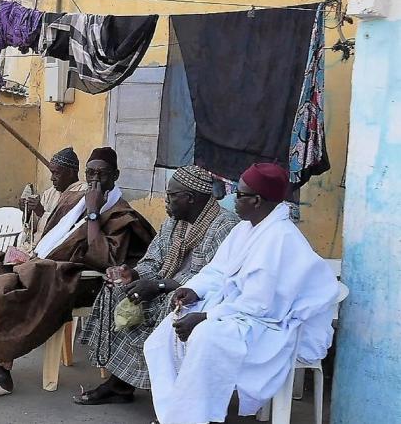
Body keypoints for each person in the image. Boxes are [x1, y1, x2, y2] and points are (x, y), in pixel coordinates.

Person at [0, 147, 156, 401]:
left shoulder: (123, 216)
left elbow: (103, 259)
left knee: (2, 289)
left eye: (102, 174)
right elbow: (49, 237)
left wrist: (94, 213)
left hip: (76, 279)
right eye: (90, 173)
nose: (95, 181)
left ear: (115, 175)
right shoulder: (74, 201)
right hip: (42, 264)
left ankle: (2, 374)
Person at [143, 163, 339, 424]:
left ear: (257, 200)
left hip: (274, 325)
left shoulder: (280, 239)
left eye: (239, 193)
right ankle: (175, 414)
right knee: (163, 335)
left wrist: (205, 317)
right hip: (240, 312)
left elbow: (260, 306)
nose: (232, 198)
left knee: (206, 336)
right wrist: (193, 289)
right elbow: (218, 271)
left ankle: (189, 417)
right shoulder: (245, 229)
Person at [74, 166, 239, 405]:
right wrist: (133, 274)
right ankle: (120, 384)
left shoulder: (224, 226)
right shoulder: (175, 223)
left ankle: (169, 393)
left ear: (190, 198)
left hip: (199, 299)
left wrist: (160, 286)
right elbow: (153, 260)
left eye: (171, 196)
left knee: (170, 307)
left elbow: (212, 279)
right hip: (163, 285)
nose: (166, 201)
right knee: (116, 290)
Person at [18, 147, 87, 248]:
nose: (52, 178)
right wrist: (27, 211)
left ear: (71, 173)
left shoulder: (83, 193)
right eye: (52, 172)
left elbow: (67, 228)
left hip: (55, 251)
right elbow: (33, 229)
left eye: (57, 173)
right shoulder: (50, 193)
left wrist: (41, 212)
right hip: (34, 247)